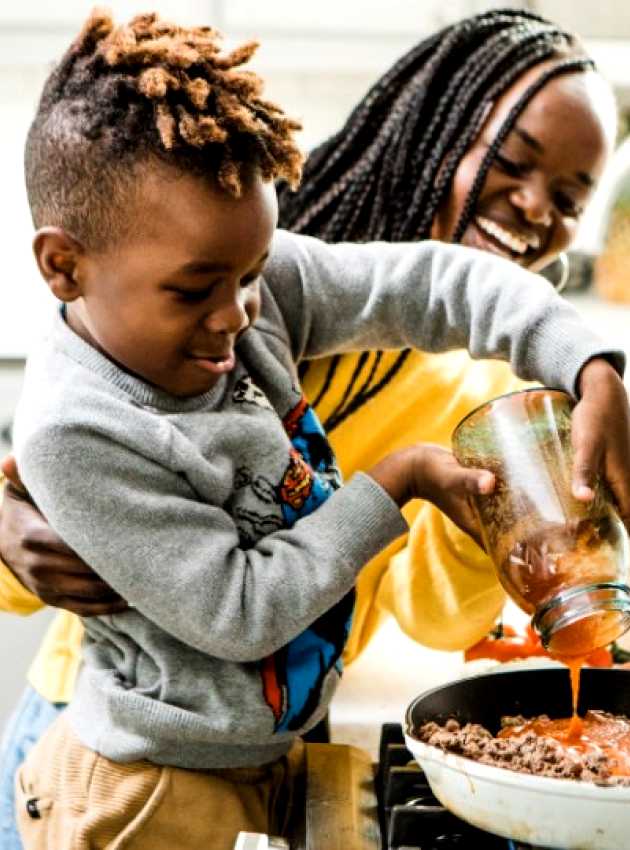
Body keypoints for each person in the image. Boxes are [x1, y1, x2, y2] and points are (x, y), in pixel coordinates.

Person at [1, 8, 629, 847]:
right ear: (62, 265)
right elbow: (240, 611)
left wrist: (590, 363)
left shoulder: (237, 272)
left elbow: (437, 283)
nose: (238, 319)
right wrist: (398, 480)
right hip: (147, 778)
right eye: (513, 165)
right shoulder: (89, 408)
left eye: (570, 198)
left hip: (268, 741)